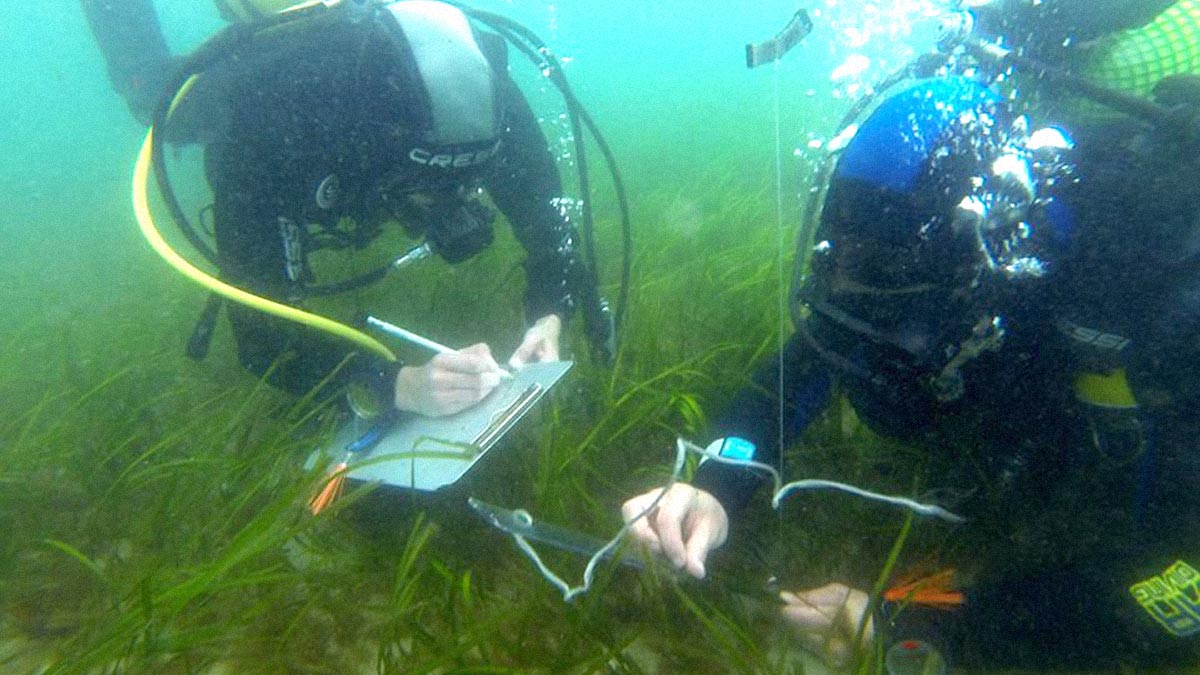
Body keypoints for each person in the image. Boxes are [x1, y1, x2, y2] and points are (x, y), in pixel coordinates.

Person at [622, 2, 1200, 670]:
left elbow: (1185, 581)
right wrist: (718, 483)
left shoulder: (1149, 301)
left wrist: (936, 625)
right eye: (844, 277)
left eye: (896, 324)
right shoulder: (886, 267)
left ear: (990, 282)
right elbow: (812, 358)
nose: (866, 345)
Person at [88, 0, 602, 418]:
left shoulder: (483, 93)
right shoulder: (271, 128)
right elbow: (265, 341)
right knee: (155, 94)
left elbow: (548, 220)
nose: (447, 199)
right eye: (424, 182)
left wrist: (549, 314)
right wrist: (397, 384)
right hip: (264, 83)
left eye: (464, 179)